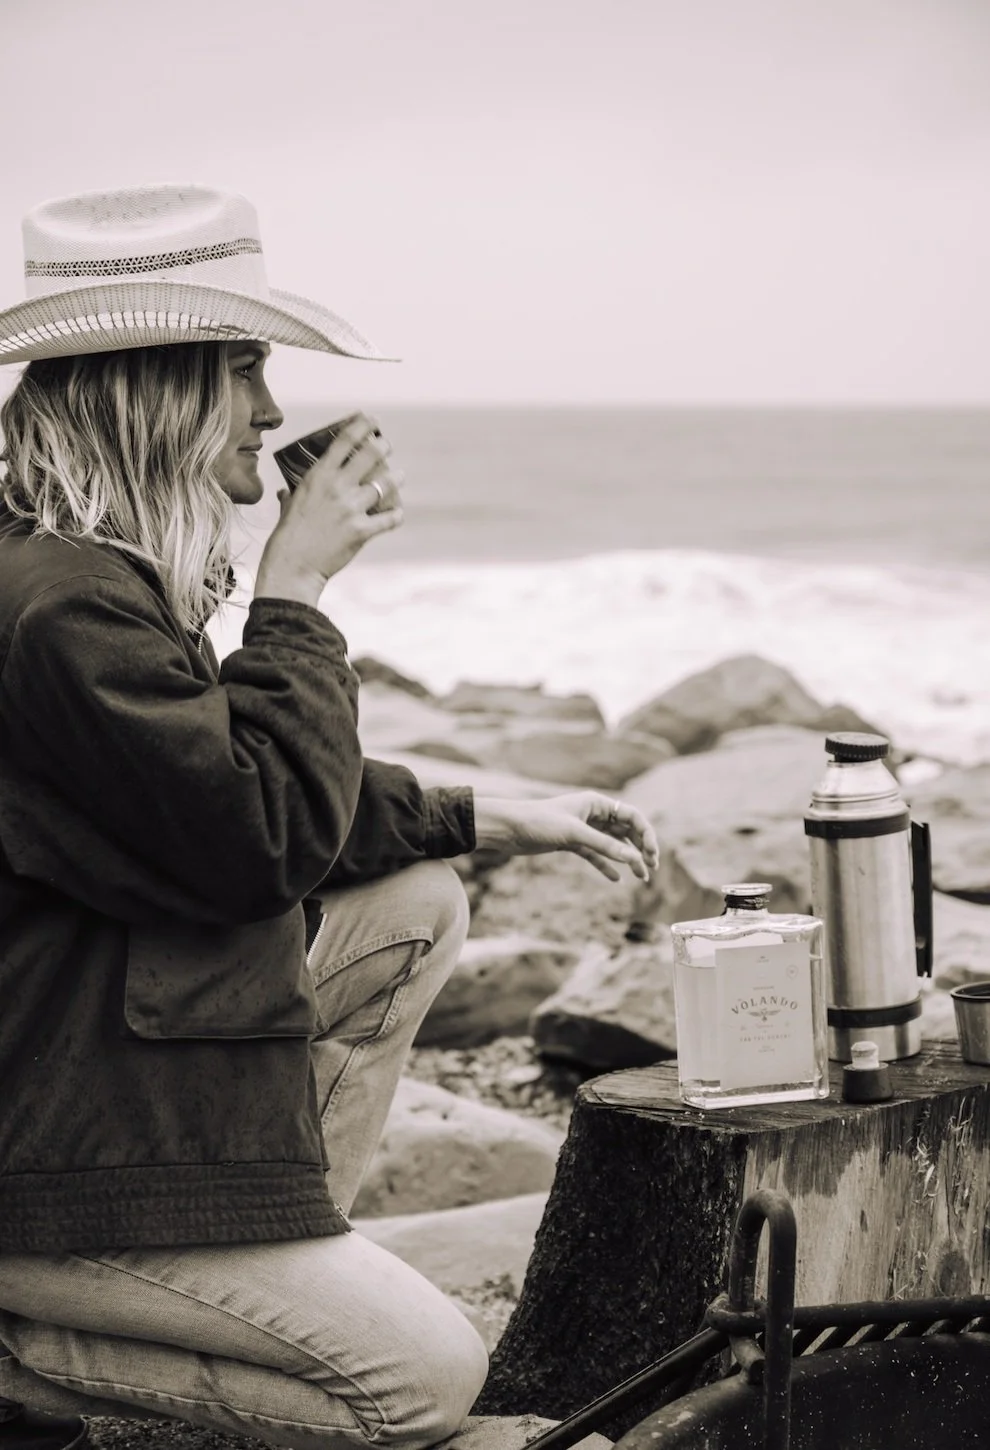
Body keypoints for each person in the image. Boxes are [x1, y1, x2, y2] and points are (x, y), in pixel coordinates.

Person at [0, 184, 659, 1450]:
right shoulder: (63, 608)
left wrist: (482, 809)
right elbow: (252, 843)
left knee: (414, 902)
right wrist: (295, 594)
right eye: (244, 371)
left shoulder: (85, 571)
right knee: (429, 1383)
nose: (270, 409)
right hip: (59, 1165)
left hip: (105, 1084)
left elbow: (208, 785)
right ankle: (39, 1356)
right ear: (161, 390)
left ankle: (280, 1260)